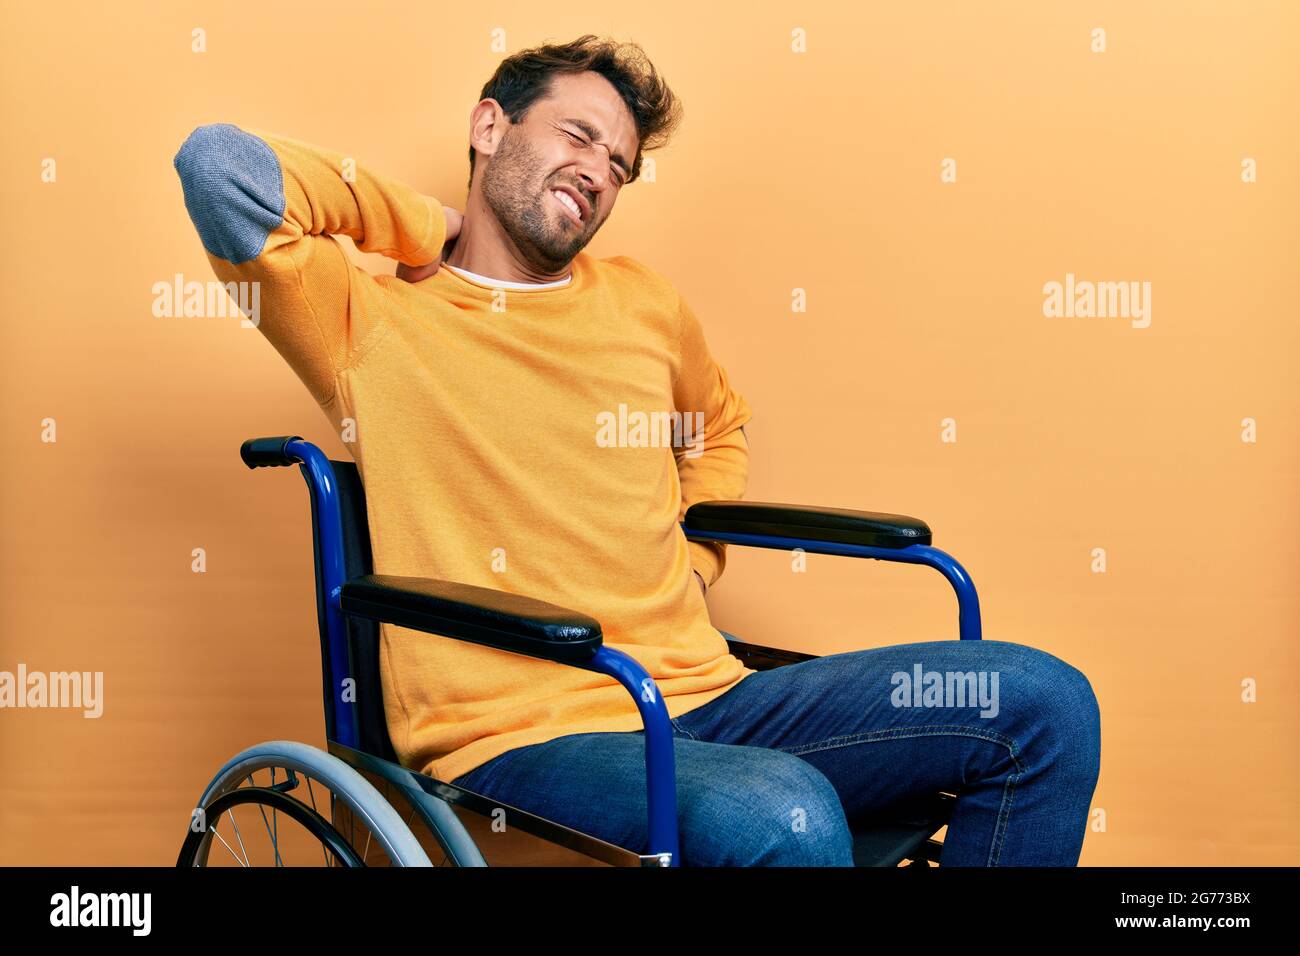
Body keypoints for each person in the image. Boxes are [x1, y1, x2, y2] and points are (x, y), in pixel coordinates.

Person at [173, 34, 1100, 866]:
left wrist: (694, 560)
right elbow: (218, 167)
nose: (599, 171)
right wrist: (427, 227)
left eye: (619, 164)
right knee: (784, 816)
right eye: (577, 136)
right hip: (521, 733)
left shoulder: (643, 303)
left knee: (1043, 704)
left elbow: (719, 425)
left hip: (708, 694)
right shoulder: (369, 319)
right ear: (489, 126)